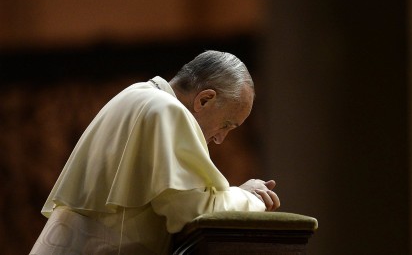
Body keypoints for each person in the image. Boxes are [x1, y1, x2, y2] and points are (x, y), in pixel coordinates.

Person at [31, 50, 280, 254]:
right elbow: (193, 212)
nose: (219, 138)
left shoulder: (137, 95)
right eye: (226, 125)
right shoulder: (167, 111)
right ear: (204, 99)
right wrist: (250, 198)